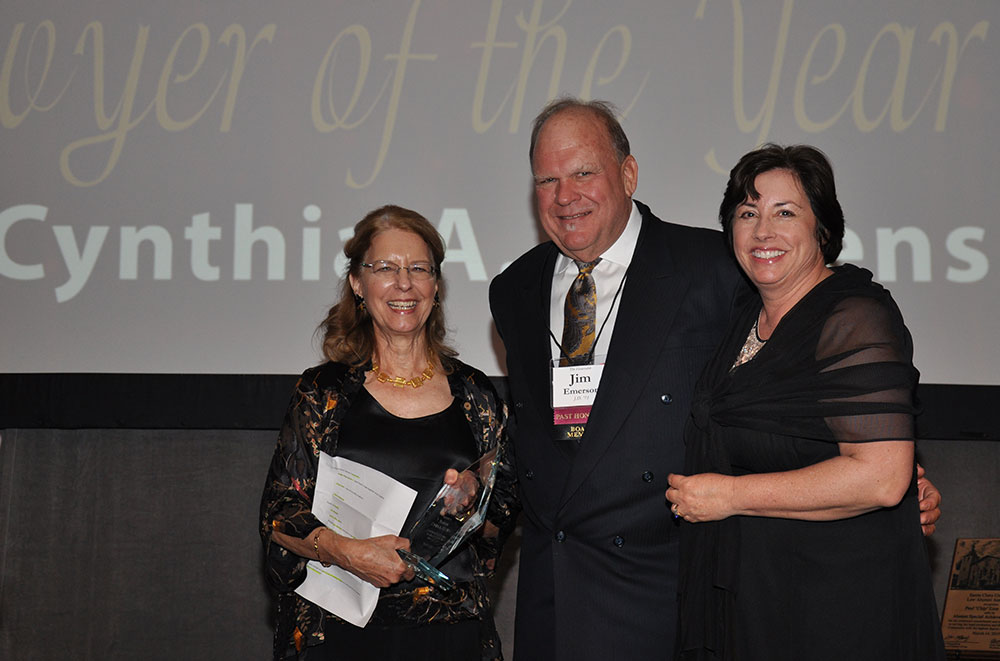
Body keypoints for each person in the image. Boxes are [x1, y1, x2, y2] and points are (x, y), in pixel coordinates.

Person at [488, 98, 942, 660]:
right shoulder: (511, 289)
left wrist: (893, 474)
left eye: (584, 172)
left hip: (671, 594)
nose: (565, 195)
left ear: (628, 174)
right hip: (551, 595)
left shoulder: (718, 267)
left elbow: (815, 396)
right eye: (547, 179)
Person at [667, 144, 945, 659]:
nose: (763, 231)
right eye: (748, 213)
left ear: (823, 229)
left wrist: (731, 495)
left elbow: (881, 478)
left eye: (785, 213)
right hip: (761, 596)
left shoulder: (853, 316)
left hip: (836, 609)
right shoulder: (744, 320)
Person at [260, 205, 518, 661]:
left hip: (449, 635)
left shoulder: (476, 395)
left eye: (419, 268)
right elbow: (278, 516)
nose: (404, 283)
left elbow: (497, 533)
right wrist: (347, 551)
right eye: (385, 268)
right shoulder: (323, 393)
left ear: (436, 287)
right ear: (358, 285)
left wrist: (474, 501)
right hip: (338, 634)